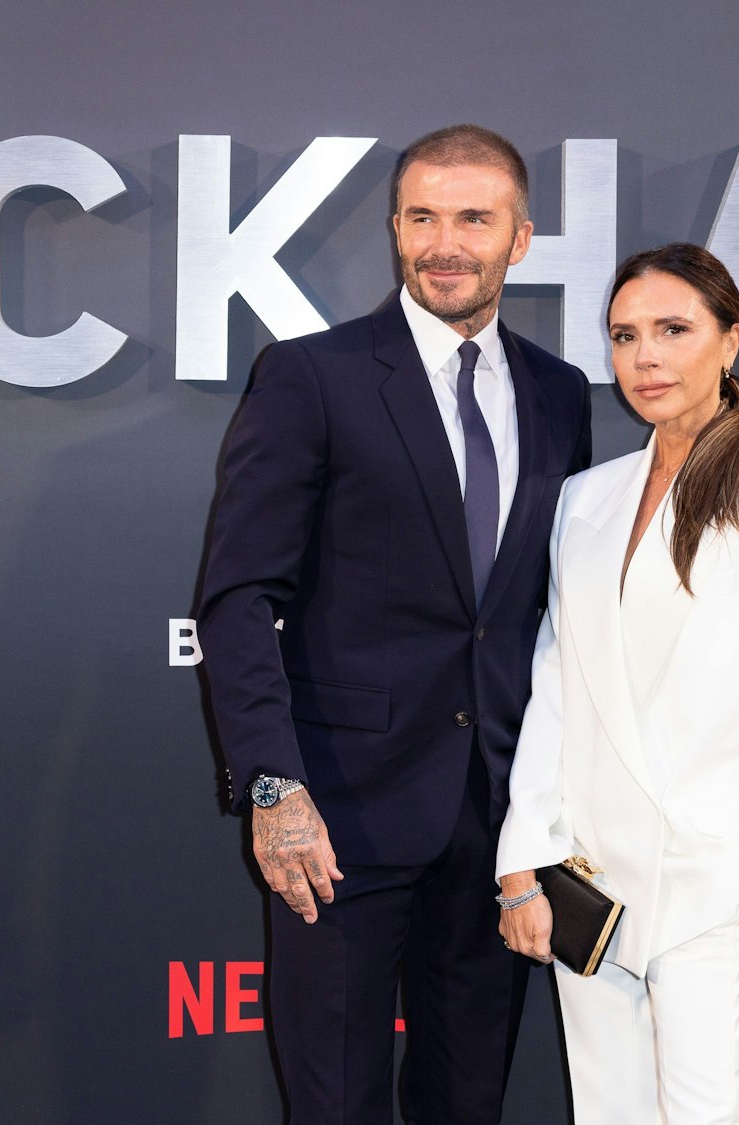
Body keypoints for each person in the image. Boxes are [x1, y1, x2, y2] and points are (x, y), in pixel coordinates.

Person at [196, 125, 593, 1124]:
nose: (442, 243)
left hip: (498, 828)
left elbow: (544, 609)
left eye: (472, 218)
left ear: (520, 238)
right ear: (393, 228)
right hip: (337, 815)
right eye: (420, 217)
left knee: (468, 1103)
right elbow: (238, 597)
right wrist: (272, 786)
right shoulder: (311, 376)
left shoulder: (559, 392)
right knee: (334, 1106)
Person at [493, 243, 739, 1123]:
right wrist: (523, 857)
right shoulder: (587, 497)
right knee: (610, 1112)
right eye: (625, 334)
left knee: (708, 1110)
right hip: (587, 874)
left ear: (729, 340)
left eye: (674, 329)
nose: (647, 357)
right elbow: (559, 684)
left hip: (708, 866)